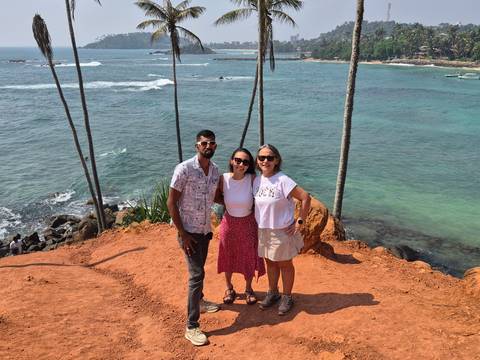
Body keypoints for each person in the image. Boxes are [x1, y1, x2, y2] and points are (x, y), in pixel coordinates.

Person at [167, 129, 221, 346]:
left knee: (200, 269)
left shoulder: (215, 171)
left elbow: (217, 196)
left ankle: (199, 301)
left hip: (205, 230)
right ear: (197, 146)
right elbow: (171, 202)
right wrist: (183, 234)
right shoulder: (184, 169)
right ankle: (191, 326)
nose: (208, 146)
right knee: (196, 275)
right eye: (204, 143)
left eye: (212, 143)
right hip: (188, 232)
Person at [253, 144, 311, 315]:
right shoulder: (257, 180)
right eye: (262, 158)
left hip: (281, 231)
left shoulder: (283, 180)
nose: (265, 161)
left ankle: (287, 296)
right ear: (257, 161)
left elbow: (305, 197)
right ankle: (273, 292)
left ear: (276, 160)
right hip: (263, 230)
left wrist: (300, 221)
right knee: (270, 262)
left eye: (270, 158)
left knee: (285, 264)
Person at [216, 148, 266, 305]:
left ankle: (249, 289)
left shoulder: (252, 179)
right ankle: (229, 288)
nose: (241, 164)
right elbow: (216, 196)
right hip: (229, 224)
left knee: (249, 257)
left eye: (245, 162)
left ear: (249, 165)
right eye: (238, 160)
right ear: (232, 161)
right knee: (227, 256)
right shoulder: (223, 179)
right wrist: (229, 205)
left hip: (248, 224)